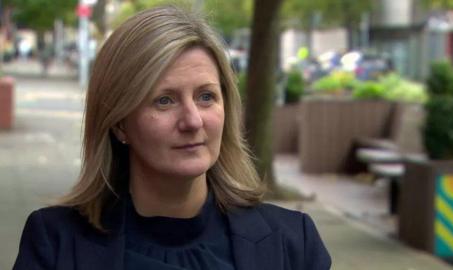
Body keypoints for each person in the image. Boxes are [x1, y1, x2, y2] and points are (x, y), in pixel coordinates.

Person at [13, 5, 331, 270]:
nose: (192, 121)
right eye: (164, 100)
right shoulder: (55, 244)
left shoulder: (292, 244)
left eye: (206, 96)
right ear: (120, 123)